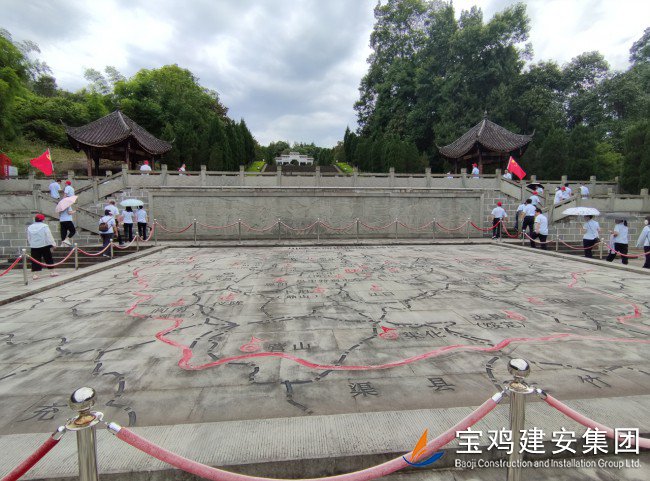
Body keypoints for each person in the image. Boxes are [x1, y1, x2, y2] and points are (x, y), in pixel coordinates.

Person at [27, 214, 58, 279]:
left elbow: (29, 237)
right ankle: (52, 272)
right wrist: (53, 244)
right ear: (42, 220)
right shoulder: (44, 226)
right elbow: (49, 236)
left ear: (35, 219)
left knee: (35, 260)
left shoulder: (30, 227)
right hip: (44, 245)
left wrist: (31, 244)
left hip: (34, 246)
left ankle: (35, 274)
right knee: (48, 258)